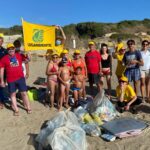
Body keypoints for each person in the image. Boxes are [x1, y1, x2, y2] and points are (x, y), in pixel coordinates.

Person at [0, 43, 31, 116]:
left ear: (14, 49)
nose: (11, 50)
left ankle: (28, 107)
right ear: (7, 50)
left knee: (24, 93)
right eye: (9, 49)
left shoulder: (19, 55)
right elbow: (1, 70)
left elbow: (28, 60)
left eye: (12, 48)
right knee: (12, 94)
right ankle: (16, 110)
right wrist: (1, 80)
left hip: (20, 78)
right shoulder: (4, 59)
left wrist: (29, 54)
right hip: (10, 80)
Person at [0, 37, 8, 109]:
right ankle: (1, 102)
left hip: (3, 71)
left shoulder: (4, 50)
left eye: (1, 41)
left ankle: (2, 101)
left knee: (2, 87)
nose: (0, 42)